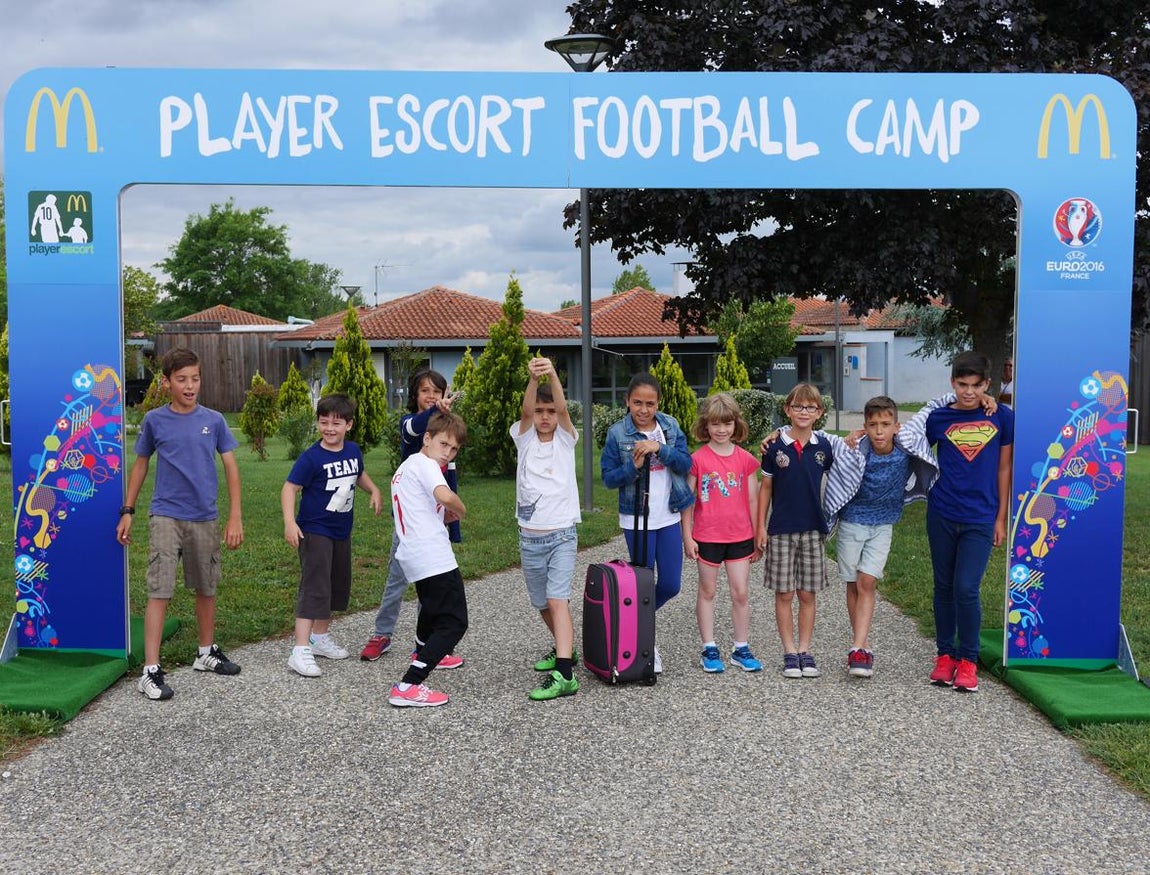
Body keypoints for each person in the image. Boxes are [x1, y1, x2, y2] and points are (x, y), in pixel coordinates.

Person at [116, 347, 243, 701]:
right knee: (161, 589)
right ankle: (150, 671)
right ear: (167, 381)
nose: (190, 386)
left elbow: (231, 468)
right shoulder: (155, 420)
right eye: (182, 380)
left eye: (195, 379)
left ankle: (205, 652)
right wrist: (128, 509)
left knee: (207, 586)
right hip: (166, 516)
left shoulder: (214, 420)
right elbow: (141, 465)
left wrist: (235, 515)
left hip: (204, 516)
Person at [900, 350, 1014, 693]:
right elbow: (907, 441)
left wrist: (1001, 518)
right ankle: (945, 655)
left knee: (966, 588)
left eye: (976, 386)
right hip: (943, 513)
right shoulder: (937, 418)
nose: (968, 391)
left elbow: (1004, 468)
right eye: (962, 384)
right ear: (952, 383)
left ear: (987, 384)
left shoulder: (1002, 418)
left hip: (981, 516)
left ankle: (968, 659)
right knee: (944, 587)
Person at [822, 396, 938, 678]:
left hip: (883, 524)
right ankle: (859, 644)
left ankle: (859, 646)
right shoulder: (856, 448)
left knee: (868, 581)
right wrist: (777, 434)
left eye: (885, 424)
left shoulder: (904, 448)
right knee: (852, 584)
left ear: (897, 426)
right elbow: (818, 436)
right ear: (864, 426)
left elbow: (929, 409)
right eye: (872, 425)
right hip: (852, 522)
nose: (879, 431)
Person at [360, 368, 463, 670]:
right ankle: (382, 633)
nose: (431, 396)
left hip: (436, 521)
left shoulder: (447, 432)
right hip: (410, 523)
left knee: (430, 585)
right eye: (425, 391)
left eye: (437, 391)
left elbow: (449, 480)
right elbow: (418, 424)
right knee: (397, 578)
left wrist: (451, 519)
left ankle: (427, 645)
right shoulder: (412, 425)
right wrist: (434, 410)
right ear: (415, 396)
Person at [281, 394, 382, 677]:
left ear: (348, 425)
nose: (329, 428)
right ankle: (300, 649)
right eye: (324, 422)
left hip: (340, 530)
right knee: (314, 587)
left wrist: (373, 490)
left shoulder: (352, 450)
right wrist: (290, 522)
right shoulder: (311, 458)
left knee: (334, 585)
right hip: (314, 530)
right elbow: (289, 488)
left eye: (336, 423)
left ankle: (319, 638)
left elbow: (358, 474)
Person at [601, 372, 694, 674]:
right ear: (627, 401)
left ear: (658, 404)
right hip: (636, 517)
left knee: (670, 583)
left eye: (650, 403)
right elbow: (608, 479)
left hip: (668, 514)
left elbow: (685, 463)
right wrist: (633, 465)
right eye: (637, 403)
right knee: (643, 582)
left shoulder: (669, 426)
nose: (643, 409)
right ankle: (644, 642)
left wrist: (660, 449)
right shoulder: (617, 434)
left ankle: (629, 622)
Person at [387, 411, 469, 707]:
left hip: (413, 554)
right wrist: (460, 509)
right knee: (455, 622)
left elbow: (422, 505)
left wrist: (442, 515)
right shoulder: (429, 465)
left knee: (432, 610)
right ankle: (409, 684)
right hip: (433, 554)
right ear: (427, 438)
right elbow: (445, 496)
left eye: (454, 449)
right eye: (443, 444)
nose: (447, 453)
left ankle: (423, 651)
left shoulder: (407, 466)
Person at [512, 357, 581, 701]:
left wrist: (553, 374)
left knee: (557, 600)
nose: (544, 417)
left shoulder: (566, 439)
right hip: (530, 536)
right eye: (540, 410)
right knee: (541, 602)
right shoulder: (523, 438)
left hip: (562, 534)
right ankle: (564, 648)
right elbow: (524, 412)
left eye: (550, 411)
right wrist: (531, 380)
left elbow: (564, 408)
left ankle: (565, 672)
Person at [755, 383, 834, 679]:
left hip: (814, 529)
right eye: (798, 406)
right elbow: (765, 488)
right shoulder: (774, 446)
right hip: (781, 530)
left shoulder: (824, 447)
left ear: (820, 413)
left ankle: (805, 650)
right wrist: (760, 527)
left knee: (807, 594)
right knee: (785, 593)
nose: (804, 412)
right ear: (787, 410)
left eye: (811, 407)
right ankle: (789, 651)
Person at [682, 393, 763, 674]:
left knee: (740, 593)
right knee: (708, 590)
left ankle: (741, 647)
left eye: (727, 424)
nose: (721, 430)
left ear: (735, 424)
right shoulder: (698, 460)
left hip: (740, 536)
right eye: (715, 424)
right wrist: (687, 535)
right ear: (706, 426)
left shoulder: (745, 460)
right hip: (707, 536)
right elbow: (688, 500)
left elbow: (753, 499)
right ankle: (709, 647)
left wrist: (756, 533)